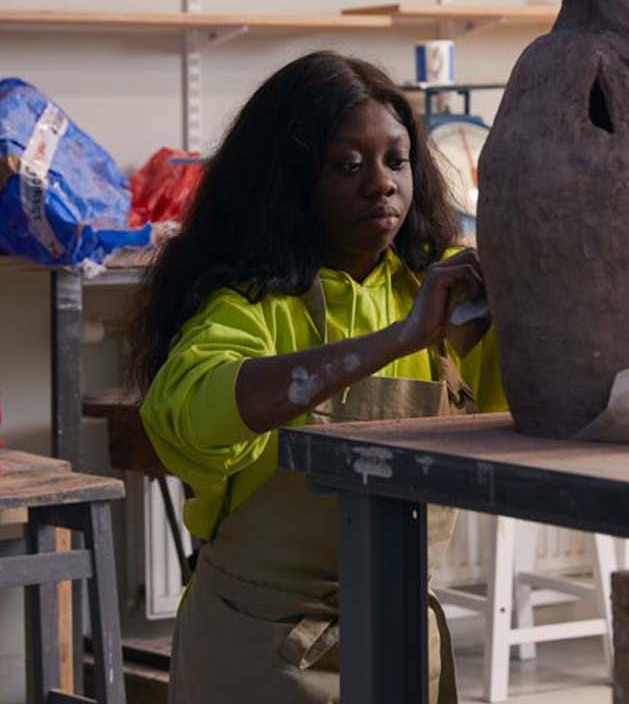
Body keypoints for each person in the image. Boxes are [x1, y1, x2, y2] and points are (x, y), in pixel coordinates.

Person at [129, 51, 505, 703]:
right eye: (348, 166)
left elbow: (540, 399)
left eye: (396, 160)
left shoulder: (438, 289)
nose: (381, 183)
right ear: (291, 180)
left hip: (400, 645)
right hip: (265, 655)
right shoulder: (247, 305)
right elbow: (186, 413)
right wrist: (396, 340)